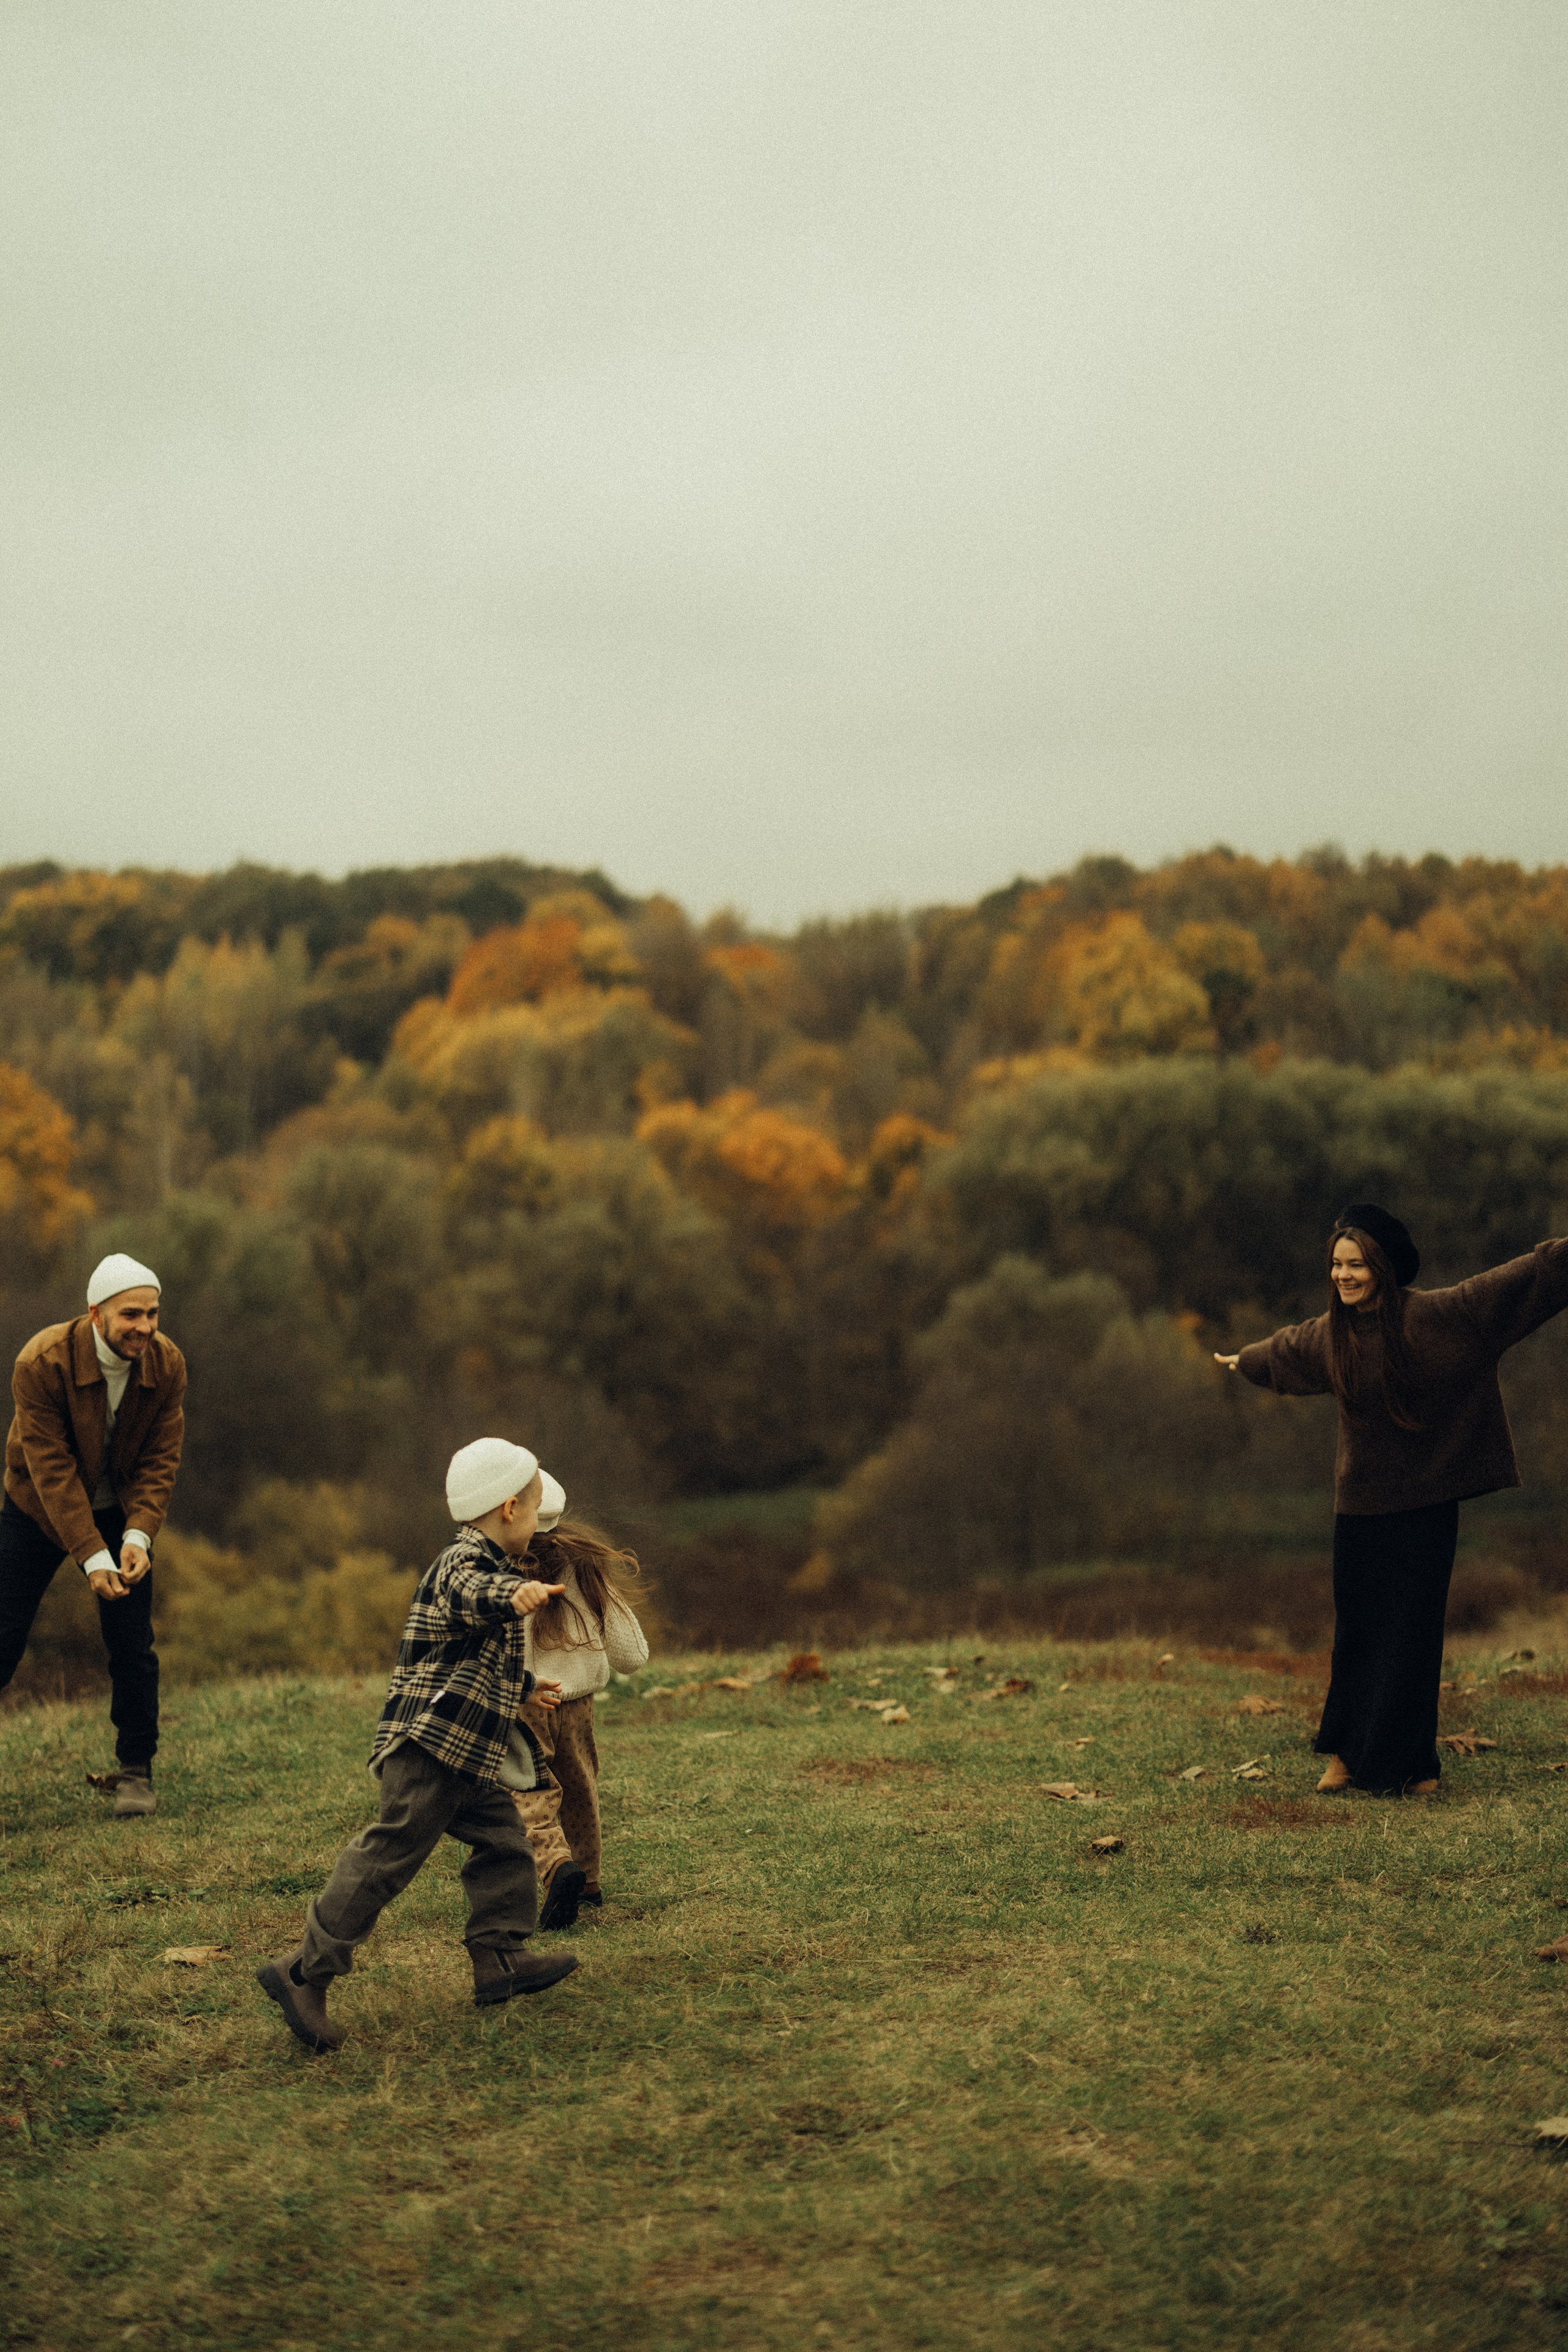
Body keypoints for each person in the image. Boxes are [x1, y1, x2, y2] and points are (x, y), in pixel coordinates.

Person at [1216, 1203, 1568, 1796]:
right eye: (1335, 1265)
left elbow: (1530, 1277)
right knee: (1358, 1634)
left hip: (1426, 1508)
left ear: (1382, 1265)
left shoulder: (1448, 1315)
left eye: (1355, 1264)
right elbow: (1284, 1351)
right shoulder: (1332, 1336)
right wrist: (1243, 1361)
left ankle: (1416, 1766)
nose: (1343, 1275)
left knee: (1412, 1635)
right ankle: (1345, 1757)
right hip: (1359, 1509)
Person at [257, 1439, 581, 2054]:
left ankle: (501, 1956)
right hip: (429, 1748)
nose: (539, 1530)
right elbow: (471, 1598)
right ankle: (303, 1971)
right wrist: (512, 1598)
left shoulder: (498, 1568)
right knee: (389, 1855)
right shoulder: (465, 1563)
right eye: (537, 1513)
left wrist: (525, 1687)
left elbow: (472, 1656)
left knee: (506, 1844)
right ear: (508, 1509)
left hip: (465, 1754)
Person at [0, 1253, 186, 1818]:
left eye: (153, 1314)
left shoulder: (167, 1364)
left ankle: (136, 1773)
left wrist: (138, 1536)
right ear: (95, 1313)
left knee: (133, 1647)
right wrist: (91, 1556)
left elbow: (160, 1458)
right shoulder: (41, 1362)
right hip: (37, 1507)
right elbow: (51, 1471)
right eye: (132, 1314)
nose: (146, 1327)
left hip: (120, 1511)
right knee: (3, 1637)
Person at [510, 1474, 650, 1931]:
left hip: (524, 1699)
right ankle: (588, 1879)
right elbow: (632, 1656)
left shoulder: (496, 1571)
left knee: (527, 1790)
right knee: (579, 1784)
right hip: (577, 1704)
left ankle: (555, 1866)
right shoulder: (586, 1569)